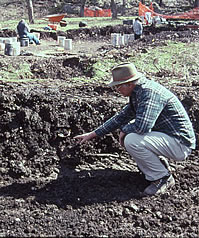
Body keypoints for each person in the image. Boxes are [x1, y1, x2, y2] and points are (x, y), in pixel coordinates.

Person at [74, 62, 196, 197]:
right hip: (169, 139)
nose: (117, 91)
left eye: (118, 87)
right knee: (131, 135)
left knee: (132, 139)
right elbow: (121, 117)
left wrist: (124, 131)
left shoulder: (149, 94)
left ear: (129, 84)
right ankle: (159, 165)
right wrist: (93, 134)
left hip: (180, 144)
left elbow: (142, 127)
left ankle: (162, 178)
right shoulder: (138, 92)